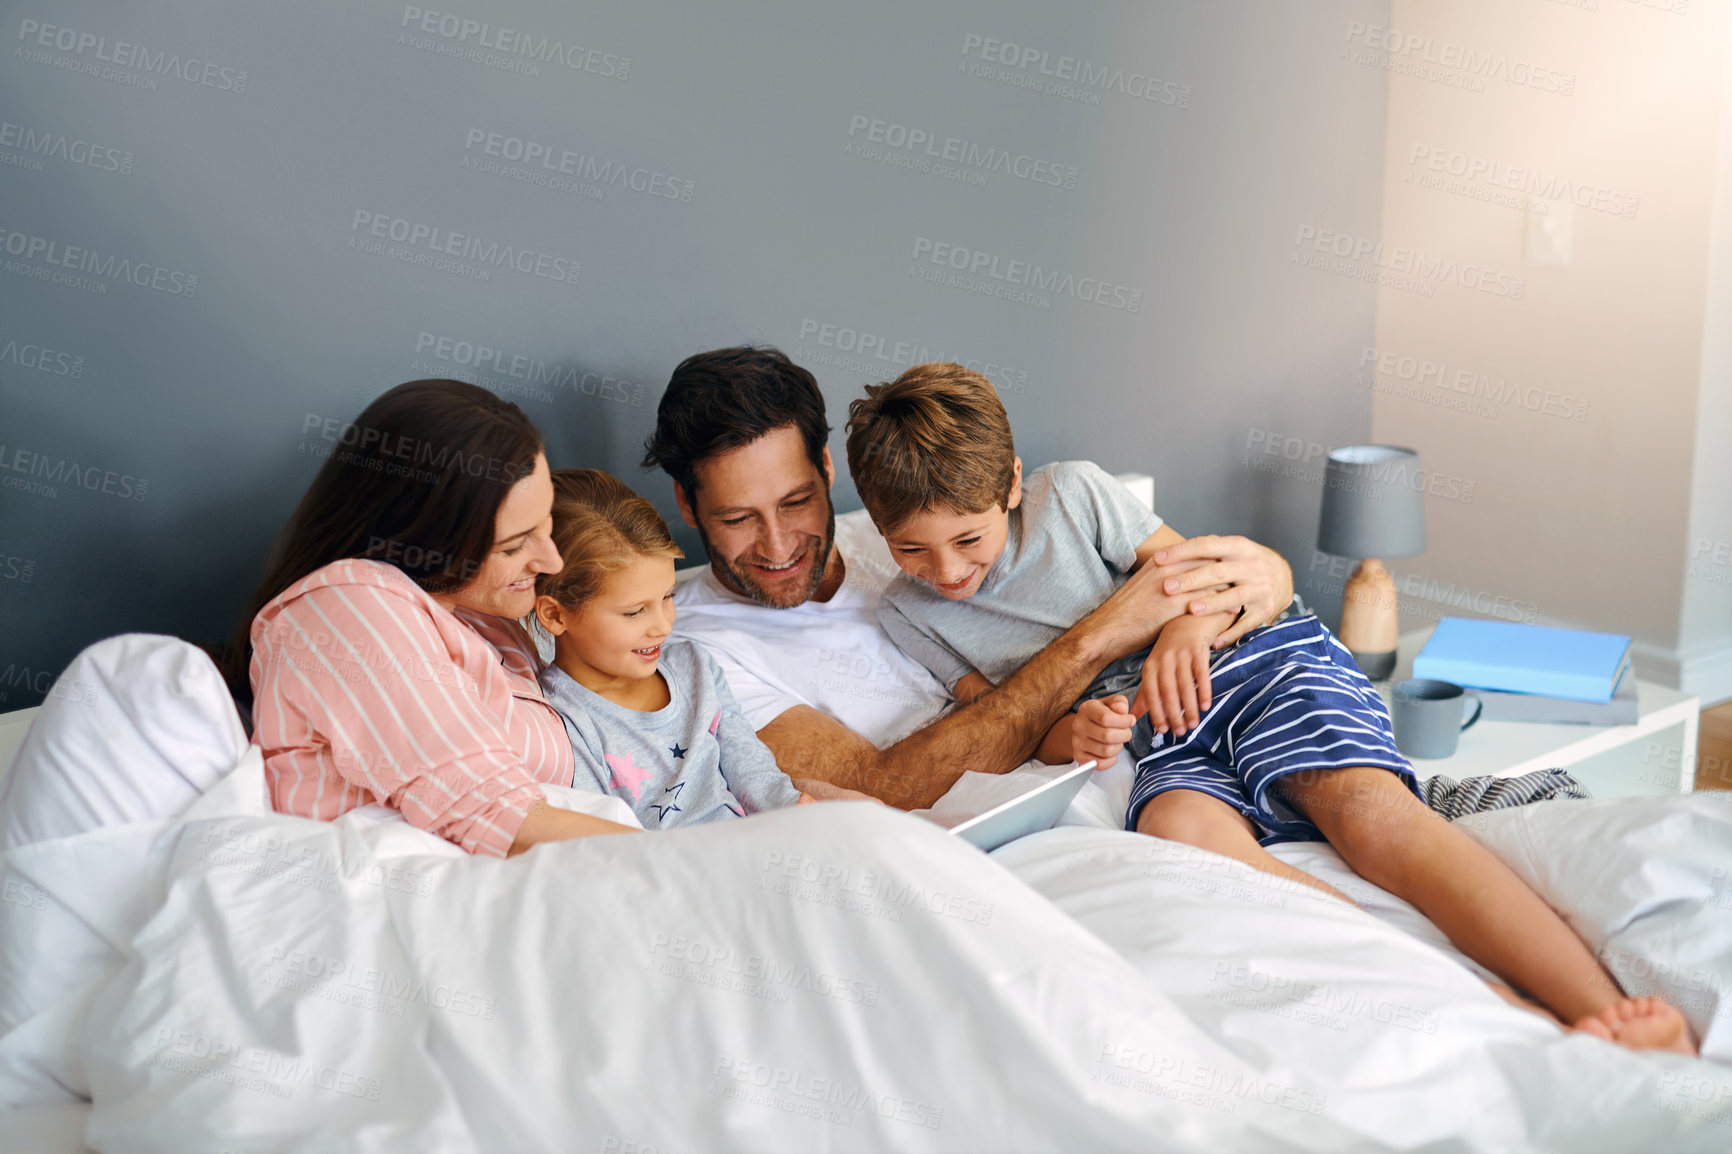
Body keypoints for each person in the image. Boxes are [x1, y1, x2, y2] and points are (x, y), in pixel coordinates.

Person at [844, 361, 1695, 1055]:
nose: (948, 570)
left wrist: (1184, 628)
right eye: (910, 548)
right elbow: (1009, 719)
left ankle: (1595, 1007)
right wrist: (1076, 732)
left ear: (1013, 486)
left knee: (1372, 819)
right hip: (1159, 736)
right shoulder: (910, 616)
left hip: (1247, 663)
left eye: (968, 539)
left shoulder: (1075, 495)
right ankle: (1477, 994)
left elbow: (1210, 576)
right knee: (1179, 832)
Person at [644, 346, 1298, 811]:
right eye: (736, 518)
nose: (780, 544)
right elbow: (881, 786)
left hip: (1131, 754)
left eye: (795, 502)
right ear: (686, 504)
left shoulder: (908, 530)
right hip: (1036, 808)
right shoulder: (696, 649)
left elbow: (1221, 576)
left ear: (825, 468)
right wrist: (1102, 635)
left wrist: (1271, 572)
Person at [228, 380, 639, 856]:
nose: (551, 561)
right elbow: (492, 814)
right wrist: (692, 862)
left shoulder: (478, 614)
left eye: (545, 523)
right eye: (512, 545)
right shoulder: (350, 609)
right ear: (428, 536)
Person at [532, 469, 869, 827]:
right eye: (634, 612)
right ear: (555, 615)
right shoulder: (560, 722)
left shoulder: (694, 666)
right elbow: (608, 838)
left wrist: (793, 812)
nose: (663, 626)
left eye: (667, 597)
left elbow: (752, 771)